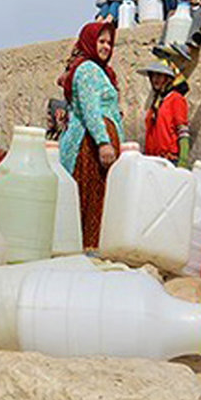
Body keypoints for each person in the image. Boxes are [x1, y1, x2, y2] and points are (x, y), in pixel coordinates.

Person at [58, 20, 124, 249]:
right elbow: (90, 109)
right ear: (89, 41)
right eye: (101, 41)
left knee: (98, 204)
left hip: (96, 146)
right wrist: (104, 142)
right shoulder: (87, 70)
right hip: (90, 148)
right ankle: (85, 255)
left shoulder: (101, 71)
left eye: (109, 42)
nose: (106, 47)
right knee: (90, 205)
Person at [138, 59, 191, 167]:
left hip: (169, 162)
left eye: (160, 75)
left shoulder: (176, 99)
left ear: (168, 79)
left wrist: (183, 162)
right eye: (153, 75)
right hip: (152, 160)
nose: (155, 79)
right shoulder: (157, 101)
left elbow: (183, 131)